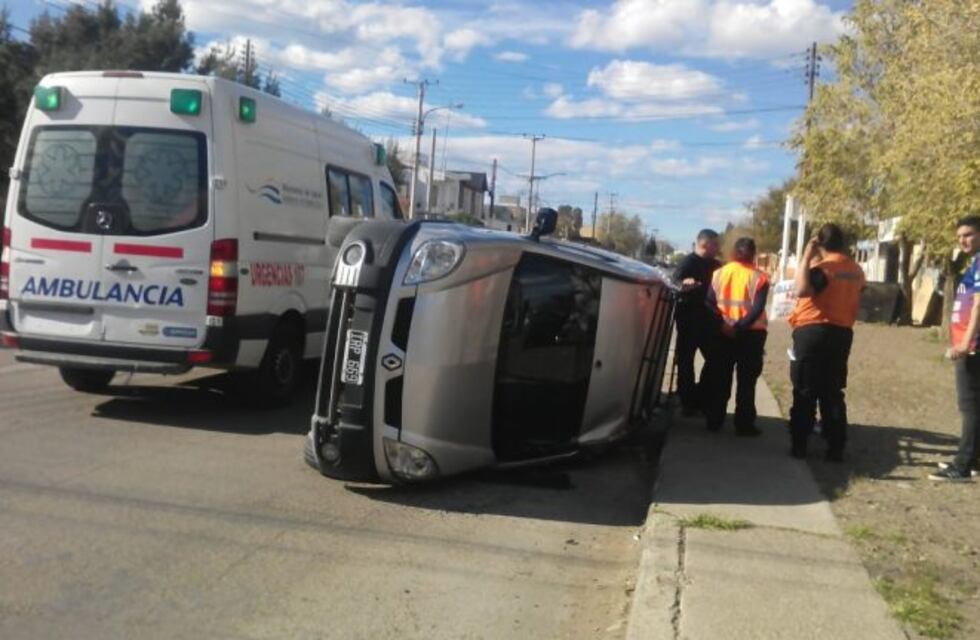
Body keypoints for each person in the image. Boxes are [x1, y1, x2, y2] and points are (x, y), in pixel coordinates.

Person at [787, 223, 865, 461]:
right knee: (832, 392)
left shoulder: (823, 269)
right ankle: (835, 447)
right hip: (841, 333)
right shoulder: (856, 270)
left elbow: (801, 290)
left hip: (813, 330)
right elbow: (859, 292)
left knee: (805, 390)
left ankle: (800, 444)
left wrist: (806, 256)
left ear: (819, 243)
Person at [930, 215, 980, 481]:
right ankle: (971, 459)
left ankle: (961, 466)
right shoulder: (974, 263)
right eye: (960, 236)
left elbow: (979, 307)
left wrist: (965, 343)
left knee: (969, 406)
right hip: (967, 344)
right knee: (973, 406)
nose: (963, 240)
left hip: (972, 347)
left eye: (969, 234)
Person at [703, 237, 769, 435]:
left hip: (723, 333)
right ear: (753, 253)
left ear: (733, 252)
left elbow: (708, 303)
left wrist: (724, 325)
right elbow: (758, 309)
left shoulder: (719, 274)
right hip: (751, 335)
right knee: (747, 382)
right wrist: (740, 327)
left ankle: (714, 420)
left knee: (720, 378)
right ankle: (744, 424)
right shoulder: (760, 277)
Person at [672, 229, 721, 415]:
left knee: (716, 359)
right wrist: (684, 283)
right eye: (715, 244)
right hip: (689, 319)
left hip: (710, 321)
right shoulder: (688, 262)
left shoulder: (717, 265)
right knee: (685, 361)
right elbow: (674, 282)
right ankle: (687, 401)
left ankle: (700, 395)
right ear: (704, 244)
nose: (718, 248)